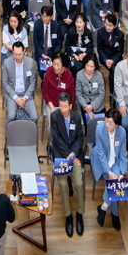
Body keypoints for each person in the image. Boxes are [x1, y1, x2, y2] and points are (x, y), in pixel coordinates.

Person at [49, 90, 85, 236]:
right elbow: (56, 139)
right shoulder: (54, 116)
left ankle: (80, 213)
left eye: (65, 106)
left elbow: (80, 137)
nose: (63, 109)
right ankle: (68, 215)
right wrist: (68, 155)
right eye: (60, 106)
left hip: (74, 156)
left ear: (70, 106)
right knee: (63, 184)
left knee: (79, 184)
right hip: (61, 156)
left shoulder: (76, 117)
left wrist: (74, 153)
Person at [90, 107, 128, 230]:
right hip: (102, 160)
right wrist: (108, 171)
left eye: (110, 123)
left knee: (115, 181)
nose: (107, 124)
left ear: (117, 125)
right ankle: (115, 215)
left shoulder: (122, 132)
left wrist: (122, 171)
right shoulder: (99, 129)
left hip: (115, 161)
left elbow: (123, 153)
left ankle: (103, 207)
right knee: (113, 181)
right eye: (106, 120)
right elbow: (100, 153)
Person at [1, 41, 38, 124]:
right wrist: (15, 97)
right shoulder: (7, 63)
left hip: (26, 94)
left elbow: (33, 82)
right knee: (11, 116)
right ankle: (9, 132)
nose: (17, 57)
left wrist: (25, 97)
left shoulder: (30, 63)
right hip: (12, 94)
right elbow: (5, 83)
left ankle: (27, 131)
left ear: (24, 51)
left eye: (19, 54)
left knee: (34, 117)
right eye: (15, 54)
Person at [76, 54, 105, 120]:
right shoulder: (79, 75)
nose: (89, 69)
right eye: (87, 65)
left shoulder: (99, 75)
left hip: (98, 106)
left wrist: (92, 106)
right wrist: (87, 108)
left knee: (100, 125)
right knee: (87, 125)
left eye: (92, 66)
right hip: (85, 105)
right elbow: (79, 94)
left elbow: (101, 94)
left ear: (95, 66)